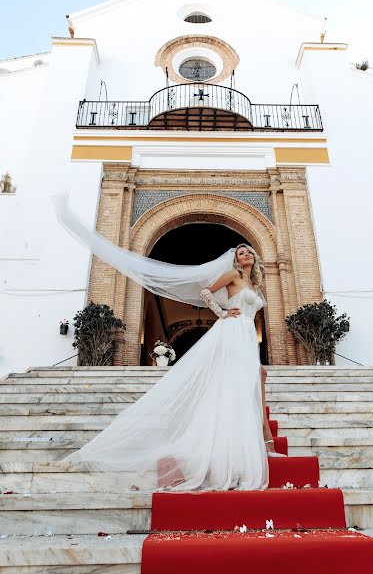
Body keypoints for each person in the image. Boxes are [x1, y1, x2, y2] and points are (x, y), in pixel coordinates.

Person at [53, 196, 286, 492]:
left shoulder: (257, 284)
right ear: (236, 259)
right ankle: (252, 444)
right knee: (246, 379)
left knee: (252, 379)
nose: (245, 255)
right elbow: (205, 291)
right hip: (231, 330)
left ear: (253, 256)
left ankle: (254, 443)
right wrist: (222, 312)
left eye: (247, 252)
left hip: (245, 336)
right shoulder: (232, 276)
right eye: (240, 253)